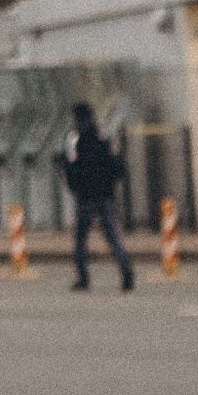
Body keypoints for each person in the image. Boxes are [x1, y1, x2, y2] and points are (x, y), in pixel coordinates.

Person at [62, 103, 133, 291]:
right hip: (106, 194)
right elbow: (118, 163)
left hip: (85, 196)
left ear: (76, 118)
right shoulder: (105, 137)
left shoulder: (74, 139)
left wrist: (74, 187)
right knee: (112, 235)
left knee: (80, 239)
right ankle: (125, 268)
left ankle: (83, 278)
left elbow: (69, 166)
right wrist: (111, 183)